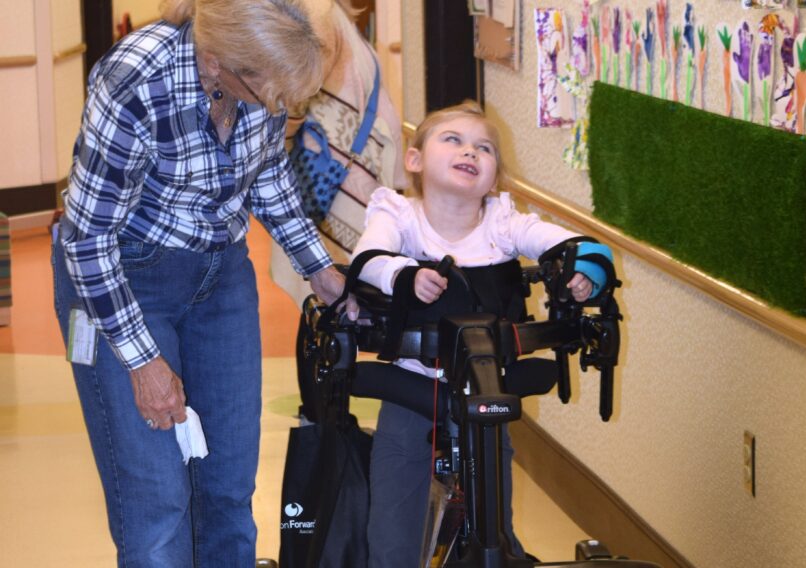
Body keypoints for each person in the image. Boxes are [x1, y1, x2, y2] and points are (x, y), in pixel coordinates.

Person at [51, 0, 348, 565]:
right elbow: (86, 241)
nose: (280, 109)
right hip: (119, 277)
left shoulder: (260, 75)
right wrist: (144, 365)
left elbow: (266, 175)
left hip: (220, 276)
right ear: (216, 64)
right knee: (157, 498)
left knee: (229, 486)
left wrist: (321, 273)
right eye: (272, 96)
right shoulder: (138, 76)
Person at [352, 101, 611, 566]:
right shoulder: (400, 216)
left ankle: (493, 552)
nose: (469, 150)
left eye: (484, 147)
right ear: (415, 160)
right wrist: (403, 275)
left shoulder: (503, 223)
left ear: (495, 177)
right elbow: (366, 259)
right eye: (452, 139)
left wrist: (584, 272)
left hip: (485, 386)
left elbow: (571, 245)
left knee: (493, 514)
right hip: (412, 385)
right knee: (394, 517)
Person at [269, 0, 407, 421]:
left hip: (340, 175)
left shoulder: (323, 12)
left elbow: (299, 89)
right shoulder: (326, 11)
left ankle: (325, 416)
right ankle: (324, 415)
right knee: (327, 298)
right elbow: (303, 87)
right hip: (342, 173)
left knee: (326, 300)